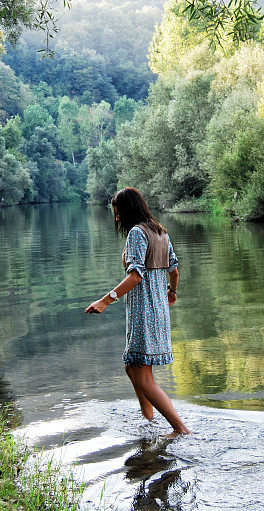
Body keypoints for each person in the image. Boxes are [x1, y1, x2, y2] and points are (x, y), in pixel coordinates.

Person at [85, 187, 190, 437]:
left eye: (118, 213)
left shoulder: (136, 233)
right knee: (132, 367)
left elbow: (135, 276)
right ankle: (149, 421)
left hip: (144, 311)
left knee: (143, 377)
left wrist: (105, 300)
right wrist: (172, 292)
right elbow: (173, 270)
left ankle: (180, 429)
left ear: (127, 210)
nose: (117, 218)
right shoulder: (160, 232)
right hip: (158, 310)